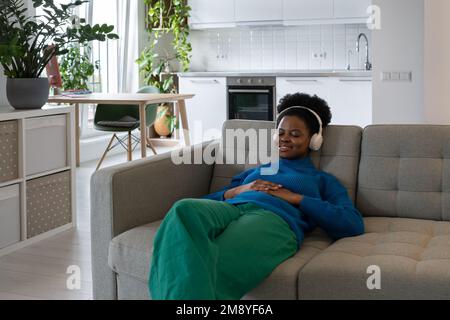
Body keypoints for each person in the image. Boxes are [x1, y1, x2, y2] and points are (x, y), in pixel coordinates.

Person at [149, 93, 365, 300]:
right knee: (183, 210)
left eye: (295, 134)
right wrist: (239, 190)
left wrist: (295, 198)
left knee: (217, 258)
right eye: (281, 132)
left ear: (314, 140)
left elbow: (352, 223)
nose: (285, 139)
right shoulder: (253, 172)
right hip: (234, 207)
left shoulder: (322, 180)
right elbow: (210, 200)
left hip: (273, 220)